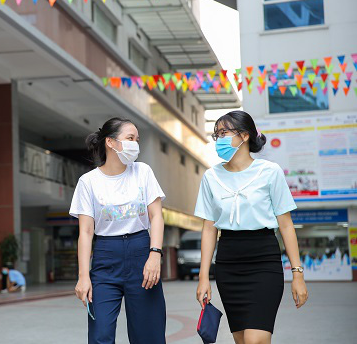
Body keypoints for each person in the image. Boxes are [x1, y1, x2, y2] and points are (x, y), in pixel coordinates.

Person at [194, 110, 308, 344]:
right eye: (217, 134)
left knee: (256, 340)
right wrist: (203, 276)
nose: (219, 139)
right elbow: (208, 228)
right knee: (242, 340)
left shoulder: (270, 171)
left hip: (263, 260)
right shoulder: (210, 177)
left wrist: (297, 274)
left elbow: (286, 225)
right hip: (228, 263)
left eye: (224, 132)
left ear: (244, 136)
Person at [70, 117, 167, 344]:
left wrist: (155, 253)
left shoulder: (143, 172)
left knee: (148, 335)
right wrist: (83, 277)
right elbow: (85, 232)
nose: (135, 144)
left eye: (137, 139)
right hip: (105, 257)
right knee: (100, 334)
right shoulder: (88, 181)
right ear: (110, 143)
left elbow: (156, 216)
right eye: (130, 138)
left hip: (142, 252)